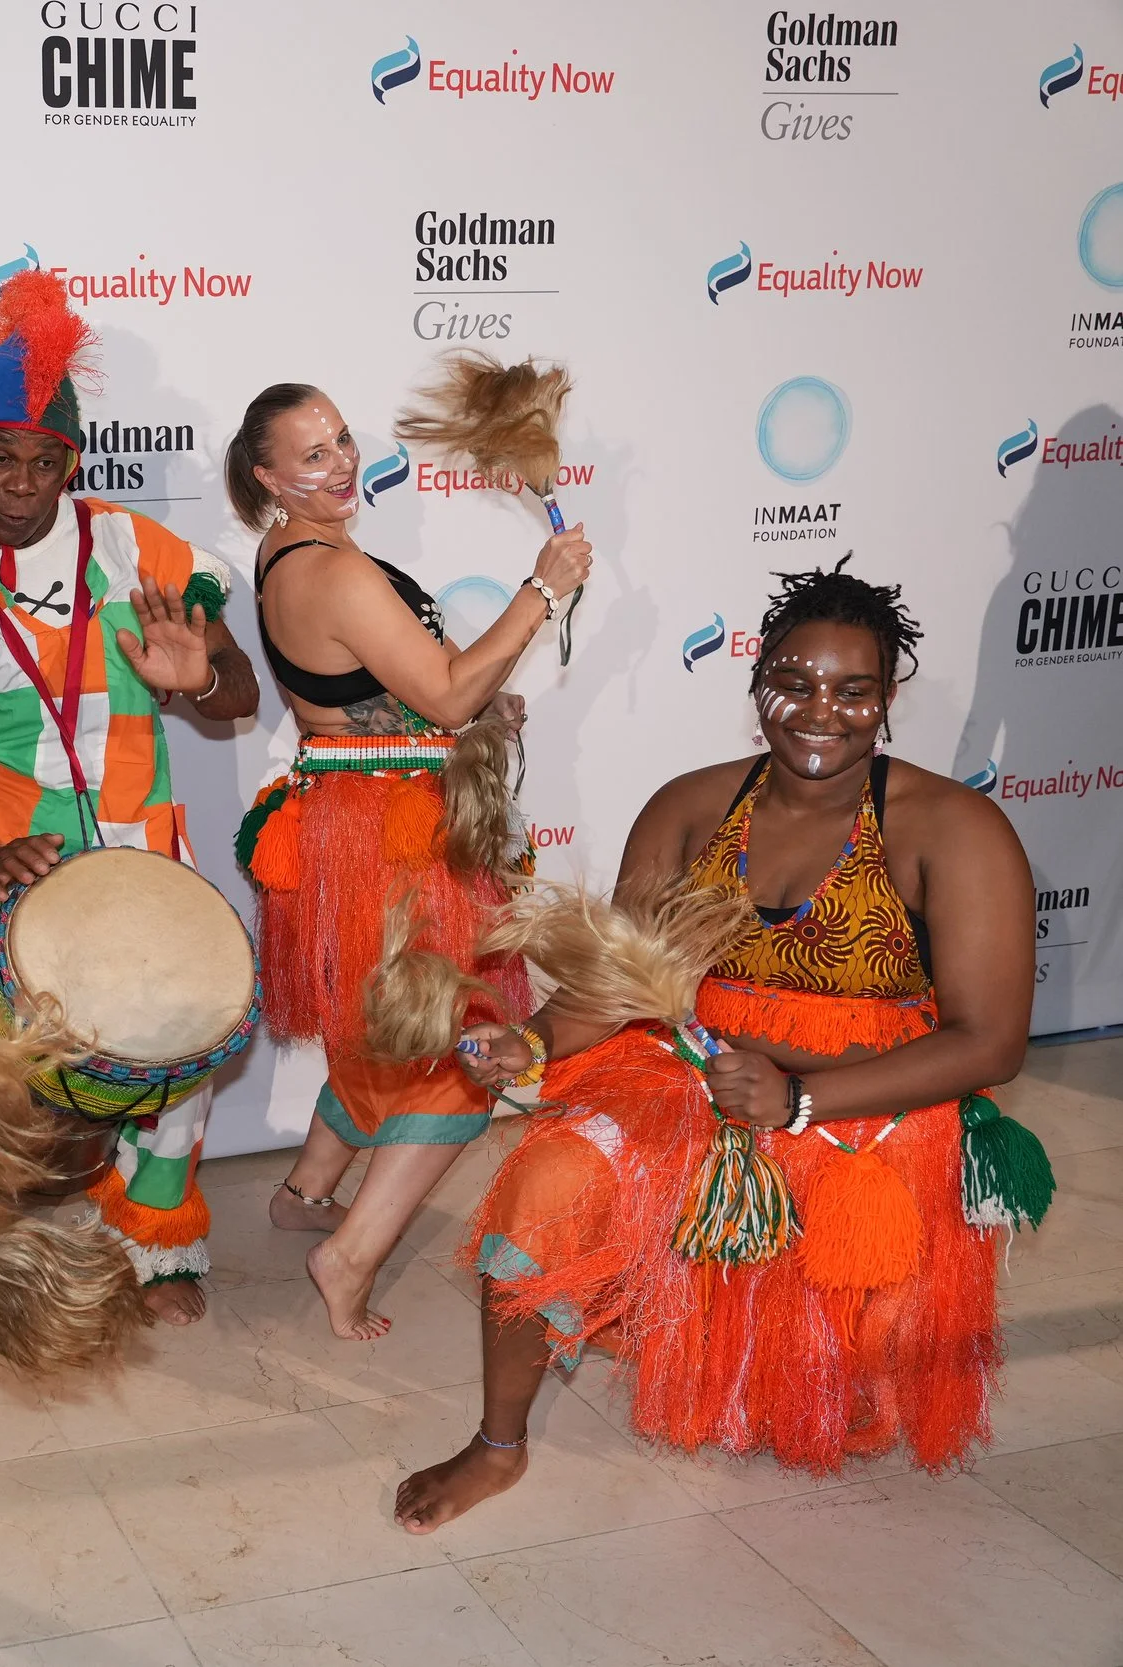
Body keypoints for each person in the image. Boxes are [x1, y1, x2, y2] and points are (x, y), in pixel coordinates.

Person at [393, 562, 1035, 1532]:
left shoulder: (954, 826)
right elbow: (619, 985)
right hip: (692, 1068)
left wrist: (799, 1101)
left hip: (868, 1103)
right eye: (794, 680)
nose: (820, 710)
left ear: (885, 698)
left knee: (817, 1399)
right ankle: (497, 1443)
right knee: (545, 1184)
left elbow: (990, 1041)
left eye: (852, 690)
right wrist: (527, 1041)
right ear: (756, 682)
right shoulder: (692, 808)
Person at [0, 271, 258, 1355]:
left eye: (47, 462)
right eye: (2, 458)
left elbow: (238, 695)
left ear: (71, 464)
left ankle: (153, 1241)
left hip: (143, 854)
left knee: (174, 1057)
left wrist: (196, 681)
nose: (23, 485)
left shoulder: (144, 552)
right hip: (1, 861)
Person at [228, 382, 590, 1339]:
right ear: (268, 477)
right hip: (391, 840)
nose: (341, 462)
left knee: (376, 1026)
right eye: (311, 455)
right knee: (459, 1054)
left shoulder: (293, 550)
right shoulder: (334, 569)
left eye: (342, 438)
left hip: (354, 822)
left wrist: (475, 709)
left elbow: (396, 691)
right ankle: (346, 1256)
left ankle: (308, 1189)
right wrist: (543, 589)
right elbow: (440, 694)